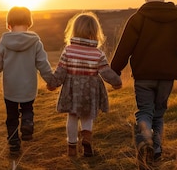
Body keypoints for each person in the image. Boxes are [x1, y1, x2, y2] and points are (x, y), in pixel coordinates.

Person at [110, 0, 177, 169]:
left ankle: (144, 138)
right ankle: (157, 151)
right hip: (167, 77)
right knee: (159, 114)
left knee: (145, 111)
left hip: (143, 76)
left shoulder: (137, 19)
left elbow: (124, 49)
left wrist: (114, 72)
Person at [49, 12, 122, 157]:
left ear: (74, 30)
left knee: (72, 117)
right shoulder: (98, 53)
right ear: (95, 32)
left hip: (72, 91)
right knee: (87, 117)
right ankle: (87, 138)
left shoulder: (68, 50)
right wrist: (116, 82)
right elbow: (106, 71)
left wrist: (53, 83)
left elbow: (61, 71)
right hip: (90, 91)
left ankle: (72, 147)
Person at [0, 6, 55, 153]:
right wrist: (50, 81)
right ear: (29, 23)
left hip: (10, 89)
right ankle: (27, 123)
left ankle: (14, 143)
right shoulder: (35, 43)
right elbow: (43, 65)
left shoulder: (4, 42)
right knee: (27, 108)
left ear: (9, 24)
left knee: (11, 117)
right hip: (28, 88)